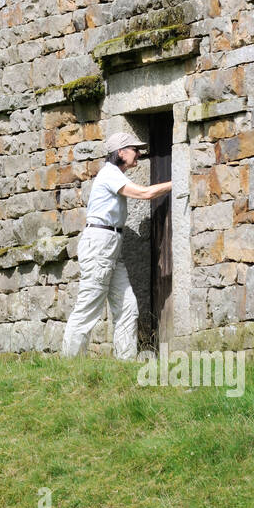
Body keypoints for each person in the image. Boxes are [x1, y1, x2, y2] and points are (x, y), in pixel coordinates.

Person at [60, 131, 173, 359]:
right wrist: (177, 182)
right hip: (100, 245)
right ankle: (69, 363)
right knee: (88, 307)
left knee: (128, 306)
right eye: (134, 149)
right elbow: (145, 193)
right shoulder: (110, 173)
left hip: (110, 246)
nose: (138, 154)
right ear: (120, 152)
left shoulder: (114, 174)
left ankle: (125, 363)